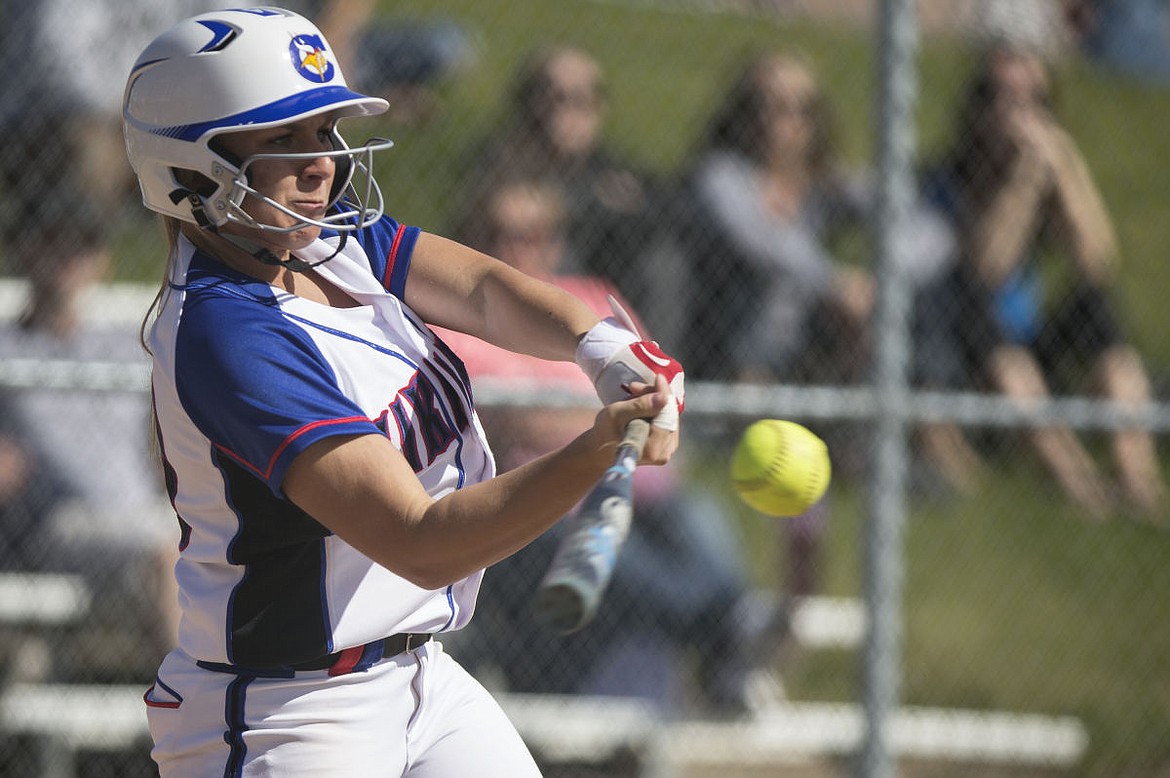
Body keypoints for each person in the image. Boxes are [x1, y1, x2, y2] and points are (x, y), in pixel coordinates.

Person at [122, 8, 684, 776]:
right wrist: (594, 449)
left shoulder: (330, 243)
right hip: (290, 714)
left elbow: (486, 291)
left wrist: (606, 347)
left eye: (323, 133)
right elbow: (420, 540)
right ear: (188, 168)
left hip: (420, 677)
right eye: (283, 140)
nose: (320, 164)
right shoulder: (231, 335)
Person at [438, 178, 785, 716]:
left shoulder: (591, 296)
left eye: (535, 234)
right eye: (500, 234)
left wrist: (609, 410)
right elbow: (525, 419)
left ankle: (730, 635)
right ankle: (730, 633)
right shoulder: (461, 320)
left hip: (652, 487)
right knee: (636, 565)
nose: (518, 248)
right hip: (555, 510)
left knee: (702, 516)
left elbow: (653, 382)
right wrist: (615, 411)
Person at [921, 40, 1165, 520]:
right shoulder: (945, 180)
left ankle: (1137, 478)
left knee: (1097, 305)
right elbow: (985, 272)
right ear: (978, 108)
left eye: (1033, 101)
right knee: (984, 319)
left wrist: (1065, 165)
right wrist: (1027, 176)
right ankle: (1077, 483)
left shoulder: (1047, 168)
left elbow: (1096, 260)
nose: (1019, 115)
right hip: (969, 355)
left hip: (1029, 343)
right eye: (1004, 99)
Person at [450, 44, 686, 349]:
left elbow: (665, 207)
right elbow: (504, 214)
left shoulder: (605, 164)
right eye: (554, 97)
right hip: (537, 279)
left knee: (664, 264)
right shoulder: (504, 156)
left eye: (581, 100)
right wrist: (595, 202)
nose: (564, 112)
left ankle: (654, 364)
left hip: (604, 279)